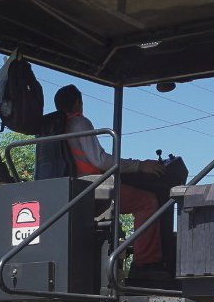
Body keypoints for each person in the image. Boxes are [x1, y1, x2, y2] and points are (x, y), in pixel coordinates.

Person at [53, 84, 170, 276]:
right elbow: (100, 160)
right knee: (147, 201)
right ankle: (146, 264)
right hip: (93, 186)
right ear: (77, 103)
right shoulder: (80, 123)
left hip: (75, 187)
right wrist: (139, 165)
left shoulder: (56, 127)